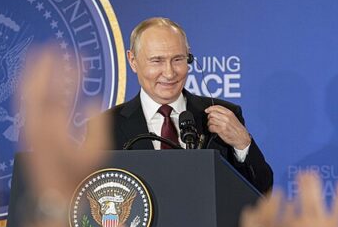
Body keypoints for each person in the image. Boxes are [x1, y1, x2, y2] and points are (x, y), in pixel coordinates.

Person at [90, 17, 274, 193]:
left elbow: (262, 191)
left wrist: (243, 144)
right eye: (157, 61)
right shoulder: (104, 127)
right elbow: (89, 198)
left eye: (177, 59)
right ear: (133, 61)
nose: (169, 73)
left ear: (189, 58)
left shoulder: (224, 115)